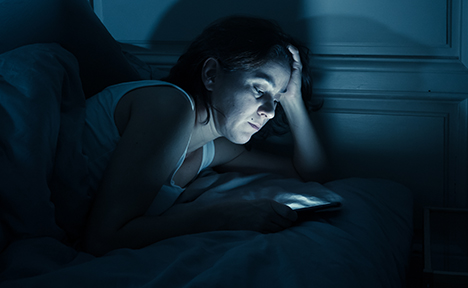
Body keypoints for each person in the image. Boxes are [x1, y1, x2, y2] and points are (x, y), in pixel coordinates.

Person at [83, 16, 328, 256]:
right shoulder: (168, 106)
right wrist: (226, 217)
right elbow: (103, 239)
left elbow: (310, 174)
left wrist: (292, 99)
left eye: (275, 100)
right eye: (259, 89)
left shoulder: (214, 148)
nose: (271, 112)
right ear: (211, 74)